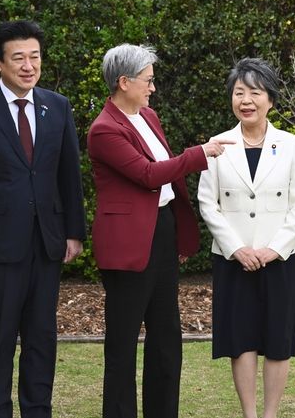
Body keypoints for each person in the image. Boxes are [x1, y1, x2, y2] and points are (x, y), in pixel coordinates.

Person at [0, 20, 86, 418]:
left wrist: (74, 231)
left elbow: (68, 175)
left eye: (35, 57)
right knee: (2, 337)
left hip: (47, 241)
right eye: (18, 58)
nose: (29, 65)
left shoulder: (57, 106)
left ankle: (37, 410)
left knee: (43, 337)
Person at [86, 43, 232, 418]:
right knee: (122, 342)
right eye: (148, 81)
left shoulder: (148, 117)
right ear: (123, 82)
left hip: (161, 232)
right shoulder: (103, 130)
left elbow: (164, 175)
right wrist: (201, 153)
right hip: (128, 243)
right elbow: (148, 175)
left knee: (166, 336)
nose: (152, 88)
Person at [197, 57, 295, 418]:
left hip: (280, 259)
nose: (246, 100)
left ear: (270, 100)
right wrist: (238, 249)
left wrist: (273, 250)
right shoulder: (217, 145)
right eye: (239, 93)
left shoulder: (291, 145)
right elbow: (207, 202)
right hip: (234, 259)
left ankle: (270, 414)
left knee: (278, 340)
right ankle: (249, 414)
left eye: (255, 93)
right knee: (240, 338)